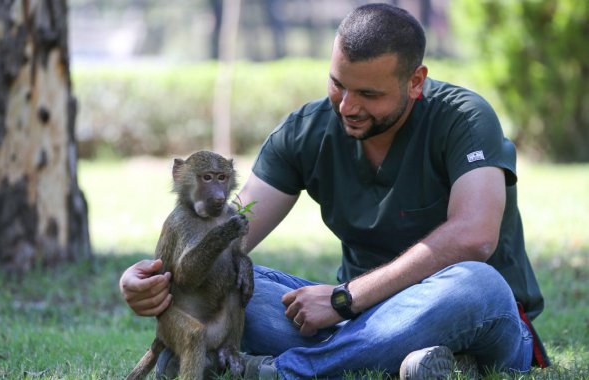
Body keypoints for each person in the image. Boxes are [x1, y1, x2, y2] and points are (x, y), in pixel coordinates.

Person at [120, 3, 549, 379]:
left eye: (368, 94)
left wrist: (346, 298)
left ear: (415, 81)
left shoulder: (464, 118)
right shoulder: (306, 131)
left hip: (471, 315)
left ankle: (286, 371)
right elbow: (235, 226)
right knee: (237, 280)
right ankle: (421, 362)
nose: (346, 106)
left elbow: (475, 236)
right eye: (338, 84)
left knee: (477, 283)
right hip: (355, 321)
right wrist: (153, 278)